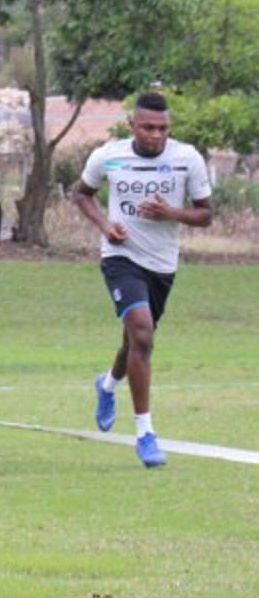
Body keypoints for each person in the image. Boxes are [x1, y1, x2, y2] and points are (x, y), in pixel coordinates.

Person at [72, 91, 212, 468]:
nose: (155, 135)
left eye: (162, 128)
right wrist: (104, 225)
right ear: (132, 125)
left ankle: (107, 384)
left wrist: (172, 213)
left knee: (135, 341)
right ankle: (145, 433)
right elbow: (81, 194)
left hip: (163, 264)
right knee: (143, 333)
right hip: (121, 257)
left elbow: (205, 215)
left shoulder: (187, 159)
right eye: (148, 127)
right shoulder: (108, 155)